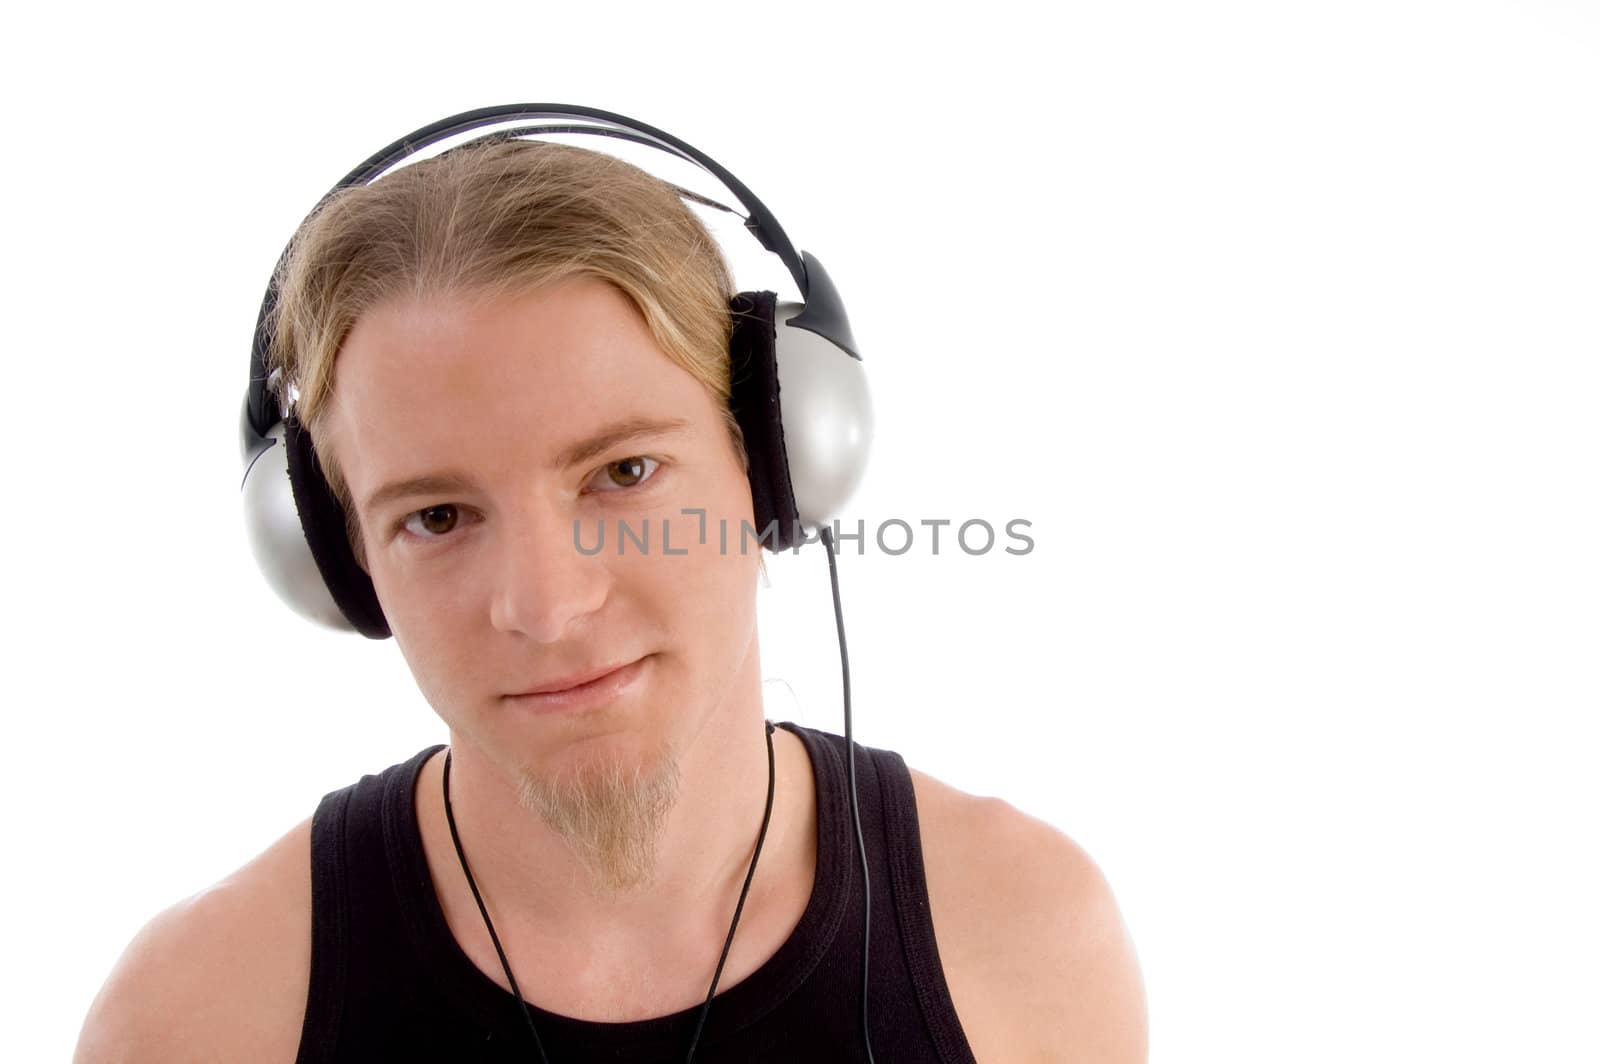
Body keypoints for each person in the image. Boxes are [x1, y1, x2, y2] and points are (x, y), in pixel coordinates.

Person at [73, 112, 1146, 1062]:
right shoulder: (194, 1021)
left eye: (623, 472)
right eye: (436, 516)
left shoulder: (1022, 933)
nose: (545, 606)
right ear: (336, 560)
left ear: (777, 464)